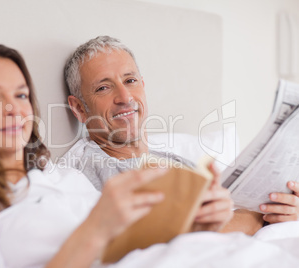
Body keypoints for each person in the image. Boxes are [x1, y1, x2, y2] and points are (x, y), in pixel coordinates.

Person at [0, 42, 233, 267]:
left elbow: (136, 249)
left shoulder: (61, 178)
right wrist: (96, 229)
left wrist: (202, 230)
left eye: (20, 95)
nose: (13, 109)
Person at [63, 36, 299, 227]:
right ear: (79, 108)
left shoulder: (172, 159)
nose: (125, 98)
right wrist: (262, 216)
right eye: (104, 87)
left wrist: (285, 211)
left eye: (130, 80)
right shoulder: (88, 173)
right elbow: (178, 241)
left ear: (143, 87)